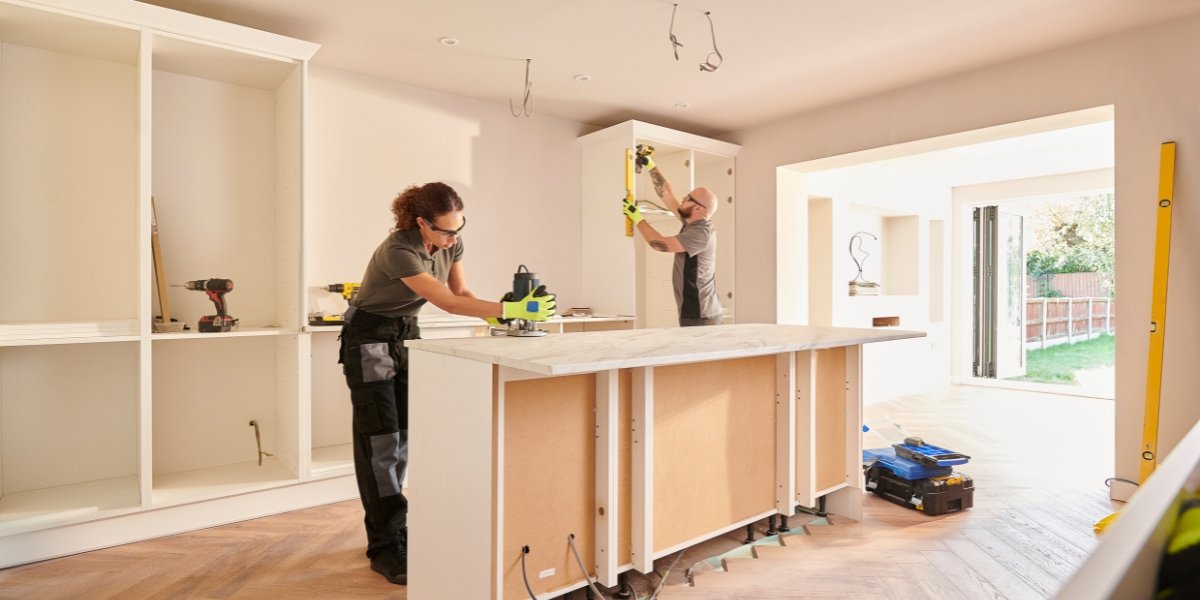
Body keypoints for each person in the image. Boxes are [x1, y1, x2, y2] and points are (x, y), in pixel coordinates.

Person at [338, 182, 555, 585]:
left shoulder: (452, 245)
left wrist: (503, 316)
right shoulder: (397, 250)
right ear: (421, 222)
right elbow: (447, 302)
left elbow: (464, 292)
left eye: (459, 228)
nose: (453, 238)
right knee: (379, 442)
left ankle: (396, 529)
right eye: (445, 230)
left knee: (402, 436)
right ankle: (383, 546)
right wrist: (511, 307)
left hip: (406, 334)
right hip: (368, 338)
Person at [622, 155, 724, 326]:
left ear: (698, 208)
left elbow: (660, 244)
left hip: (700, 314)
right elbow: (667, 193)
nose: (683, 199)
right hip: (696, 311)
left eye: (688, 198)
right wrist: (650, 165)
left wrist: (637, 218)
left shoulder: (701, 233)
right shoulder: (691, 221)